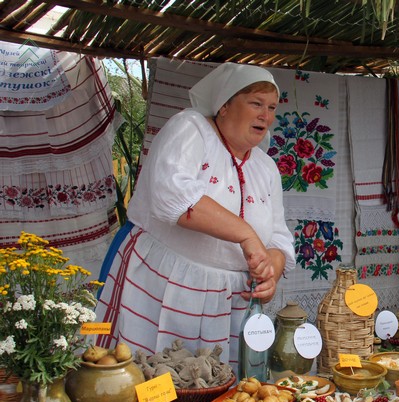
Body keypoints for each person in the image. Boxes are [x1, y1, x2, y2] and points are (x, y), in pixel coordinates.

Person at [95, 63, 296, 367]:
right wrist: (246, 234)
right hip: (165, 284)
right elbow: (171, 194)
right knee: (146, 378)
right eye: (256, 103)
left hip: (230, 302)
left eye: (271, 107)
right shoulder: (192, 129)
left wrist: (272, 269)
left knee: (214, 388)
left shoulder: (266, 168)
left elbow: (279, 235)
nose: (265, 116)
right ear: (224, 105)